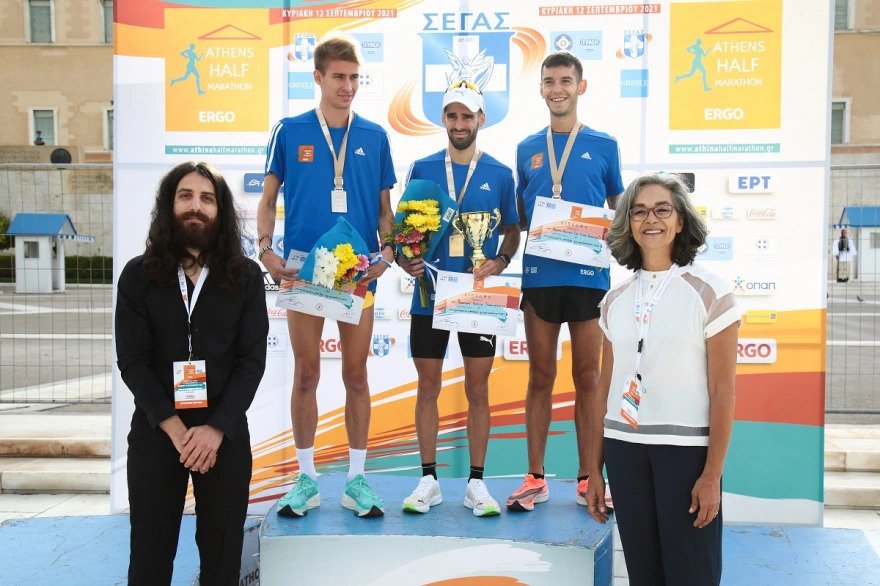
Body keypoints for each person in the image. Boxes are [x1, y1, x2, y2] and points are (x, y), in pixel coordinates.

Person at [257, 35, 396, 518]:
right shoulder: (289, 130)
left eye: (355, 77)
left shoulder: (375, 137)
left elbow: (385, 211)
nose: (348, 86)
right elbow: (267, 199)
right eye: (339, 76)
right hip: (304, 269)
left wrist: (388, 254)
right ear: (318, 77)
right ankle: (306, 479)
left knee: (356, 374)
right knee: (307, 373)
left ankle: (357, 480)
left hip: (357, 272)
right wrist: (265, 250)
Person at [116, 161, 269, 585]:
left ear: (220, 210)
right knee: (149, 556)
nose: (195, 206)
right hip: (157, 431)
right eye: (185, 196)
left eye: (206, 198)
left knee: (222, 559)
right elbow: (133, 361)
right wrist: (175, 429)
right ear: (169, 205)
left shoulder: (245, 277)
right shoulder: (138, 275)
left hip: (224, 434)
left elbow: (251, 362)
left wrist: (215, 429)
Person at [584, 173, 739, 585]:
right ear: (628, 223)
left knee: (692, 574)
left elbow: (723, 391)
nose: (650, 219)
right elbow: (603, 390)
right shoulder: (614, 300)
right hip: (624, 451)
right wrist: (593, 470)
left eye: (662, 210)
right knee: (643, 574)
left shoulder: (711, 293)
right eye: (638, 212)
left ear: (681, 220)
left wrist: (711, 475)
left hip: (685, 453)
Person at [507, 51, 624, 512]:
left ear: (581, 86)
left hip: (589, 277)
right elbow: (520, 216)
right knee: (540, 375)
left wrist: (608, 234)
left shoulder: (604, 145)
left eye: (565, 81)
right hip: (541, 276)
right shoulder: (526, 148)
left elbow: (619, 207)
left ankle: (590, 478)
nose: (557, 89)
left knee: (588, 377)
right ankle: (535, 478)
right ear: (540, 88)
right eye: (549, 81)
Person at [398, 81, 520, 517]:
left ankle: (477, 483)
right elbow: (403, 232)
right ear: (443, 120)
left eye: (467, 115)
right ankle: (428, 479)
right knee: (427, 385)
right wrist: (406, 260)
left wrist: (501, 260)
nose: (459, 123)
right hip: (429, 292)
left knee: (478, 388)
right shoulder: (422, 167)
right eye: (452, 115)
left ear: (481, 119)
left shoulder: (500, 173)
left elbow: (512, 229)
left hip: (477, 294)